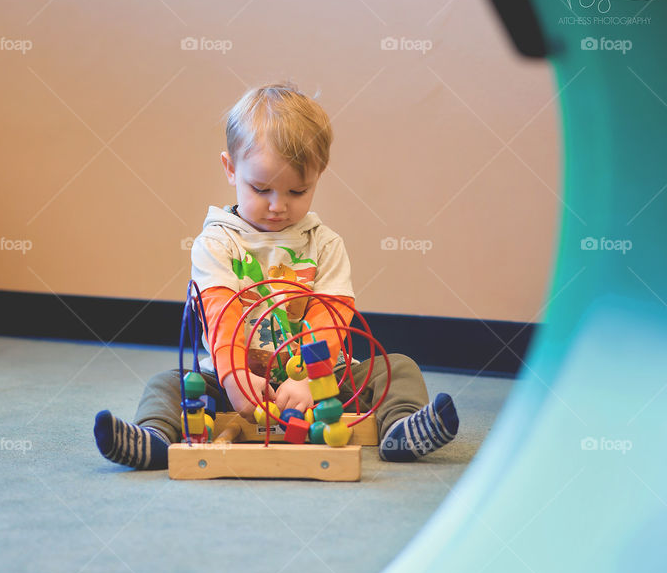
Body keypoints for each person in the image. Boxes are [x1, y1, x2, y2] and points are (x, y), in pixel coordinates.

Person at [94, 82, 458, 470]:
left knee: (397, 367)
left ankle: (401, 427)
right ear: (230, 169)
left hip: (321, 380)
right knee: (169, 384)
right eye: (261, 188)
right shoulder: (216, 242)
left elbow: (331, 315)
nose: (277, 206)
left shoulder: (325, 243)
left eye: (297, 191)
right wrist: (235, 377)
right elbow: (220, 315)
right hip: (236, 381)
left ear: (318, 175)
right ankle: (153, 436)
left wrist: (312, 379)